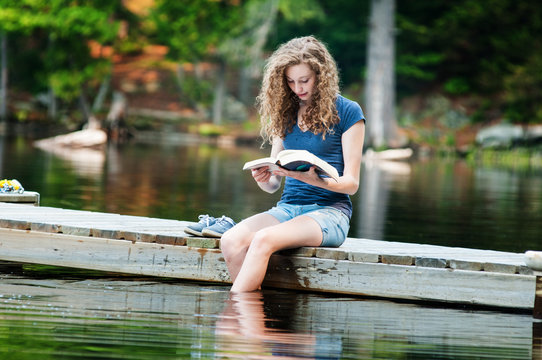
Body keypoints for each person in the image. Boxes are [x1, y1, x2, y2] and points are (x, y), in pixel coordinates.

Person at [220, 35, 366, 292]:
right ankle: (252, 319)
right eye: (290, 81)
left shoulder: (349, 112)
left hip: (330, 213)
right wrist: (267, 178)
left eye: (304, 80)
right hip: (288, 209)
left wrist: (315, 180)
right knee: (231, 240)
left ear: (321, 75)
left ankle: (239, 317)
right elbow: (275, 183)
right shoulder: (286, 112)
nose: (298, 88)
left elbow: (351, 184)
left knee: (263, 240)